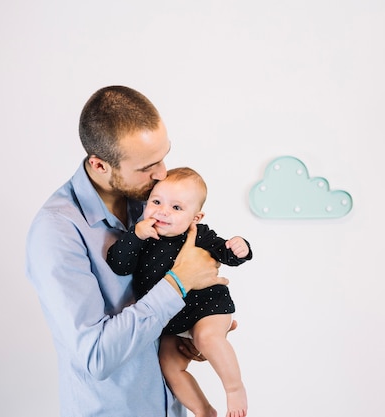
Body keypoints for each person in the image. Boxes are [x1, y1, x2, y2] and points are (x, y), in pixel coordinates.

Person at [25, 86, 232, 417]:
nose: (162, 174)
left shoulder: (153, 203)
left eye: (164, 156)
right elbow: (96, 356)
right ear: (100, 165)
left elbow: (156, 314)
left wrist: (194, 329)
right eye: (147, 166)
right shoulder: (56, 232)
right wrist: (178, 282)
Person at [107, 167, 252, 417]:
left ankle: (234, 388)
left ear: (195, 218)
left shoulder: (199, 235)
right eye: (156, 201)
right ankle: (203, 410)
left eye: (176, 208)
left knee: (207, 339)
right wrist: (136, 235)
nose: (163, 211)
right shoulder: (144, 237)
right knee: (169, 365)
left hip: (208, 306)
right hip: (171, 320)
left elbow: (226, 253)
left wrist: (241, 247)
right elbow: (118, 264)